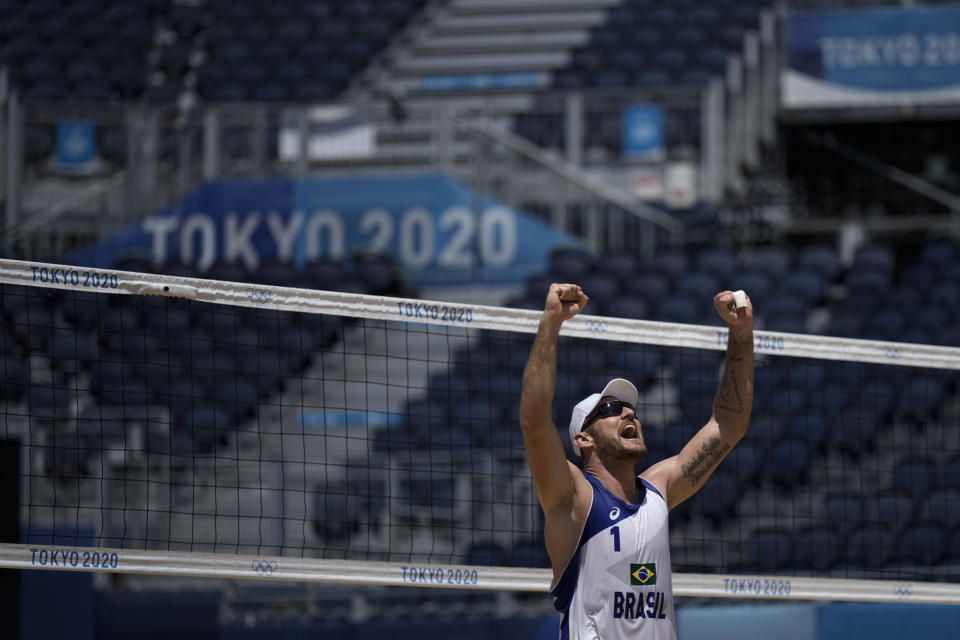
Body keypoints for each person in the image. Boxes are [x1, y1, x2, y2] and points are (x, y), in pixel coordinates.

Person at [519, 283, 754, 639]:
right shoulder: (574, 497)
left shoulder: (658, 489)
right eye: (612, 409)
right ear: (583, 439)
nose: (629, 412)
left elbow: (729, 425)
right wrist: (551, 323)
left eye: (631, 409)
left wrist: (740, 333)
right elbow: (535, 423)